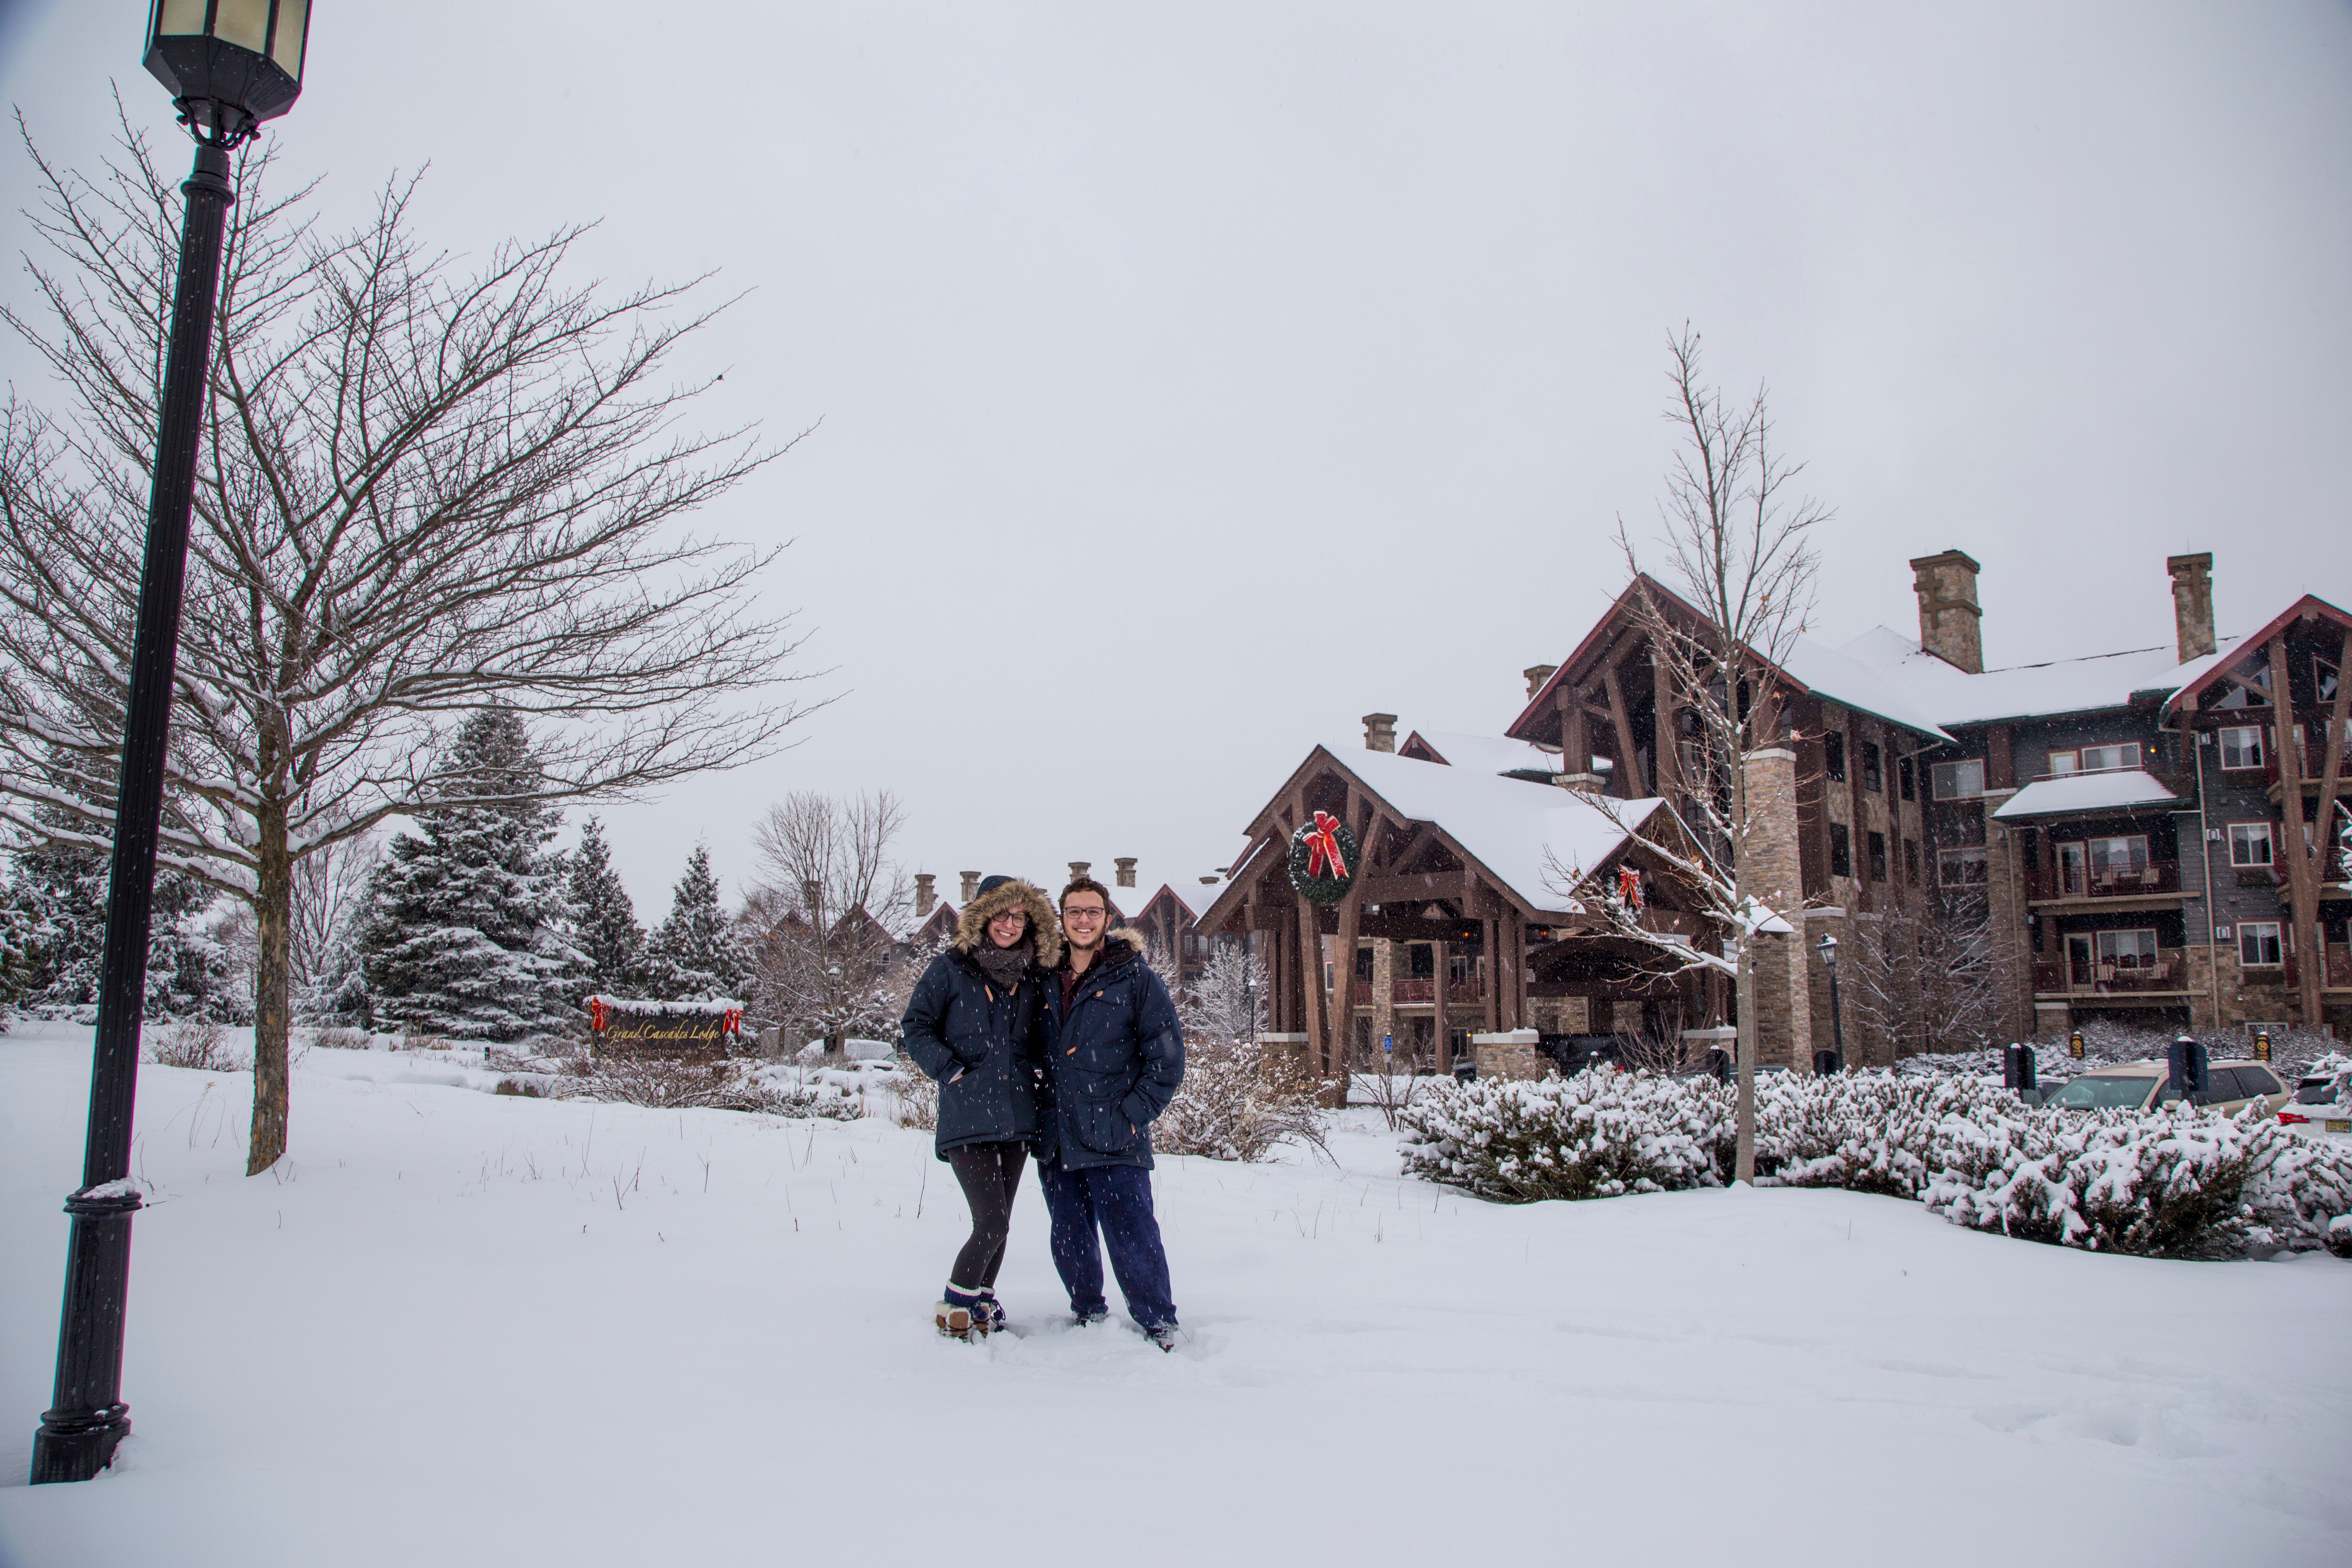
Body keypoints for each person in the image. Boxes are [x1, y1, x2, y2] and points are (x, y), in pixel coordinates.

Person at [900, 874, 1060, 1340]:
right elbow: (917, 1027)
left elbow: (1041, 1036)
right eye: (1001, 915)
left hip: (1016, 1114)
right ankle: (957, 1302)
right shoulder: (950, 969)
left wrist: (1034, 1072)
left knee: (1002, 1223)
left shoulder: (1032, 976)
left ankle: (984, 1302)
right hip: (967, 1112)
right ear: (983, 917)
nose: (1009, 925)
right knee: (990, 1220)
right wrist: (950, 1071)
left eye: (1018, 917)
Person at [1036, 876, 1186, 1348]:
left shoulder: (1135, 979)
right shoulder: (1043, 978)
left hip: (1115, 1134)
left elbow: (1167, 1060)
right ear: (1062, 919)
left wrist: (1133, 1116)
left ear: (1108, 918)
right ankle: (1089, 1315)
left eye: (1093, 912)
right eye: (1075, 912)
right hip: (1057, 1135)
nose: (1084, 920)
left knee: (1134, 1237)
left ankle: (1159, 1321)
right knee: (1069, 1237)